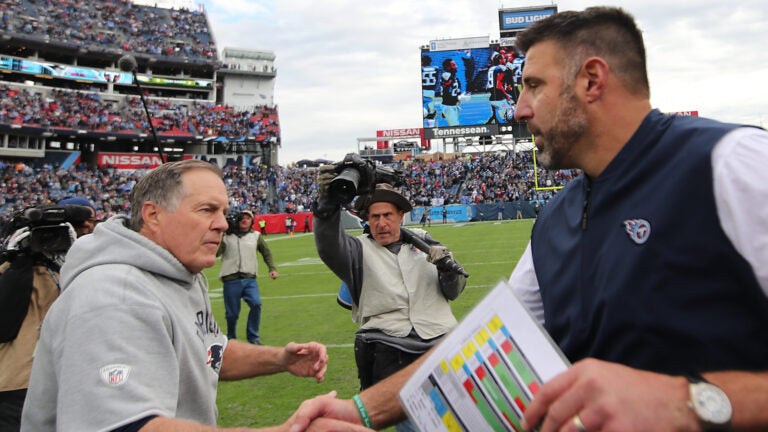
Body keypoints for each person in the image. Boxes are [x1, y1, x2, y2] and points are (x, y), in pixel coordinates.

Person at [287, 6, 768, 432]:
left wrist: (691, 402)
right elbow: (476, 355)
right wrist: (363, 412)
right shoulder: (555, 220)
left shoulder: (730, 163)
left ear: (592, 80)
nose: (518, 109)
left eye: (534, 86)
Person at [22, 160, 329, 431]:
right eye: (207, 210)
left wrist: (279, 359)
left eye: (223, 211)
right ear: (153, 215)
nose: (222, 223)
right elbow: (125, 426)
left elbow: (208, 353)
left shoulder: (180, 272)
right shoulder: (114, 294)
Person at [312, 174, 466, 432]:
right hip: (390, 349)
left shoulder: (426, 242)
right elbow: (328, 245)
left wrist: (447, 271)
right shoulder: (356, 250)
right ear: (366, 220)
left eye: (388, 215)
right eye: (374, 217)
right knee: (414, 424)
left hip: (440, 345)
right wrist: (328, 201)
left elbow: (454, 291)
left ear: (400, 215)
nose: (381, 223)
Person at [0, 200, 95, 430]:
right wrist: (20, 261)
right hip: (17, 383)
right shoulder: (13, 270)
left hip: (56, 380)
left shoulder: (76, 272)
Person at [218, 209, 279, 345]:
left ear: (252, 221)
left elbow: (266, 252)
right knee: (232, 314)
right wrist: (220, 236)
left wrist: (272, 268)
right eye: (242, 218)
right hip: (230, 278)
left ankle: (253, 337)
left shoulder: (256, 236)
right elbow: (216, 253)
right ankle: (231, 337)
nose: (245, 220)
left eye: (248, 218)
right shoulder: (227, 236)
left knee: (256, 304)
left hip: (249, 278)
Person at [439, 59, 462, 126]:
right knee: (456, 127)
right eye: (454, 65)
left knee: (456, 126)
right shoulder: (446, 75)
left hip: (453, 105)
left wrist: (459, 98)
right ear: (448, 67)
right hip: (448, 106)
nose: (456, 66)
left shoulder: (455, 78)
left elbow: (454, 92)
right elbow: (446, 84)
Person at [421, 55, 439, 128]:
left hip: (423, 91)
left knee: (424, 112)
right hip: (431, 92)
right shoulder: (436, 69)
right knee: (431, 114)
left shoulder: (421, 69)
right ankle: (431, 131)